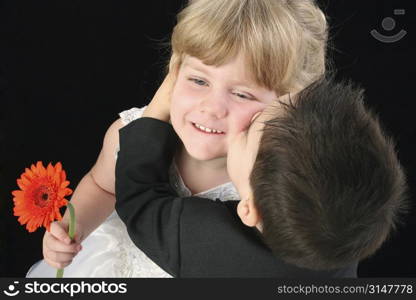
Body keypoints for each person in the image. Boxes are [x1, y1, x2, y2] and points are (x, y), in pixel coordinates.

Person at [27, 0, 330, 277]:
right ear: (174, 72)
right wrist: (72, 229)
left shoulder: (281, 177)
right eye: (198, 80)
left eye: (241, 94)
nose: (211, 108)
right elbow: (103, 186)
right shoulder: (129, 134)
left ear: (291, 104)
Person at [115, 74, 408, 277]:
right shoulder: (341, 234)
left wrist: (156, 113)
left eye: (250, 131)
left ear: (249, 210)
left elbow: (139, 200)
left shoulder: (204, 239)